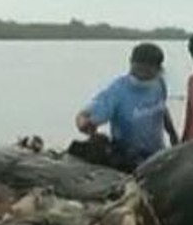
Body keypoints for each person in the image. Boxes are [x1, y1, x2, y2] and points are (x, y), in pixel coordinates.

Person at [75, 43, 178, 171]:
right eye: (139, 67)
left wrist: (173, 136)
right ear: (131, 63)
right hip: (128, 159)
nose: (143, 73)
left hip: (157, 155)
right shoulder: (118, 91)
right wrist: (84, 123)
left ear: (158, 68)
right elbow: (85, 114)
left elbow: (162, 109)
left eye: (149, 68)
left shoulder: (159, 83)